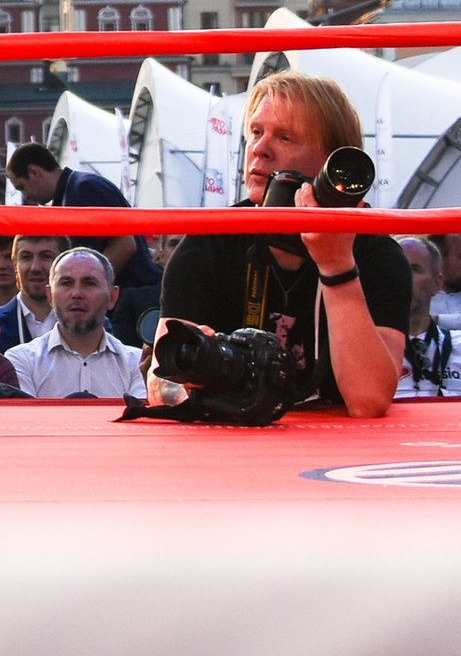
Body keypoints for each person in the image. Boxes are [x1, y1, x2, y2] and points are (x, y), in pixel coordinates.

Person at [153, 72, 409, 417]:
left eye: (285, 137)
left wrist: (337, 267)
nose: (260, 149)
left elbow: (369, 400)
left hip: (340, 441)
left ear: (332, 162)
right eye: (256, 132)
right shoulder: (209, 242)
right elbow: (161, 384)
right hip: (233, 436)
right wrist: (192, 373)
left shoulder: (377, 254)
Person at [8, 142, 159, 341]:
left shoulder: (83, 189)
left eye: (22, 186)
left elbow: (125, 245)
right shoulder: (75, 191)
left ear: (35, 172)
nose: (26, 196)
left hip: (132, 303)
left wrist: (89, 286)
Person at [6, 249, 146, 400]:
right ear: (50, 296)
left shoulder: (137, 364)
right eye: (66, 283)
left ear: (112, 297)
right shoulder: (22, 360)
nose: (76, 294)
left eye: (89, 284)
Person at [395, 239, 461, 398]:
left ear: (437, 284)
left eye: (413, 269)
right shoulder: (364, 351)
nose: (401, 277)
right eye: (394, 269)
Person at [0, 233, 62, 354]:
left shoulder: (86, 323)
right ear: (15, 264)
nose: (35, 268)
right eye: (26, 257)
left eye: (46, 257)